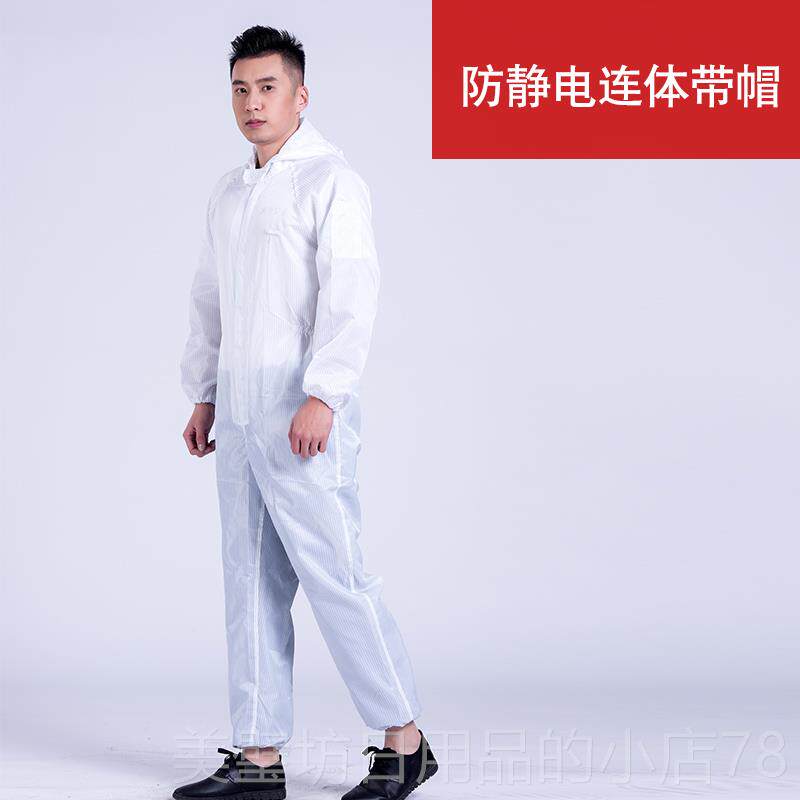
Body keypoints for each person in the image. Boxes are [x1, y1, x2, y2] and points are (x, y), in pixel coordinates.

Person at [173, 25, 438, 800]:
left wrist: (325, 392)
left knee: (335, 572)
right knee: (248, 577)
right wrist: (204, 391)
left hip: (301, 403)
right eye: (240, 89)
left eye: (267, 88)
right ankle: (258, 758)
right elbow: (209, 297)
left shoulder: (331, 181)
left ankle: (405, 741)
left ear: (300, 95)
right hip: (240, 405)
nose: (252, 103)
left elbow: (351, 290)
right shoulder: (230, 193)